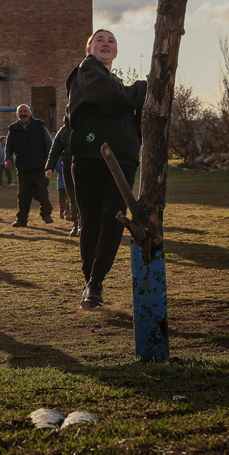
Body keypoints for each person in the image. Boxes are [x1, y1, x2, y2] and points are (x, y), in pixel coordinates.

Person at [66, 28, 146, 310]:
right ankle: (91, 281)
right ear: (89, 49)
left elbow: (120, 102)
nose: (105, 43)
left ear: (116, 52)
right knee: (91, 220)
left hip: (122, 158)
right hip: (90, 154)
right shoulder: (86, 70)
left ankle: (95, 281)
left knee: (114, 217)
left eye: (111, 41)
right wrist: (142, 89)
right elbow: (112, 98)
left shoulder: (115, 83)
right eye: (99, 39)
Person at [5, 104, 55, 228]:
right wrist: (8, 158)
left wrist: (49, 162)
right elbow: (9, 146)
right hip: (23, 167)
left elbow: (48, 144)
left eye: (25, 111)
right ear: (17, 114)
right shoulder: (13, 129)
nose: (23, 114)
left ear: (30, 113)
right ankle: (21, 220)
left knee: (41, 191)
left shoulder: (40, 125)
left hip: (39, 166)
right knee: (23, 195)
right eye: (21, 112)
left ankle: (46, 214)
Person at [45, 122, 79, 236]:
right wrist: (49, 167)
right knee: (72, 197)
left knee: (86, 197)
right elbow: (55, 150)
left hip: (86, 169)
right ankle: (76, 224)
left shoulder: (88, 126)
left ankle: (87, 223)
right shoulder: (63, 131)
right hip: (68, 168)